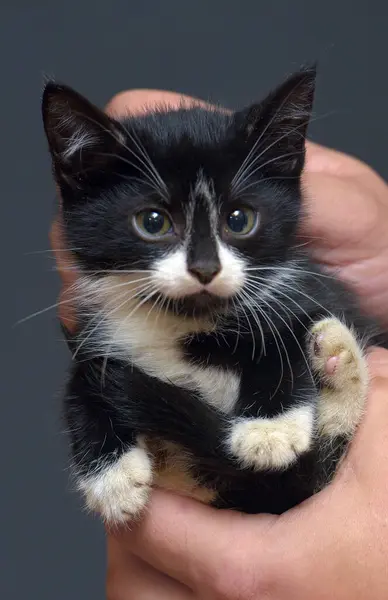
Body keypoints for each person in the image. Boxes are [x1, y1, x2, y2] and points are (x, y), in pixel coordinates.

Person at [51, 89, 388, 599]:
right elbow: (97, 381)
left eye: (238, 222)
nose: (205, 266)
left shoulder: (284, 302)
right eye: (155, 223)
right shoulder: (109, 328)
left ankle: (325, 422)